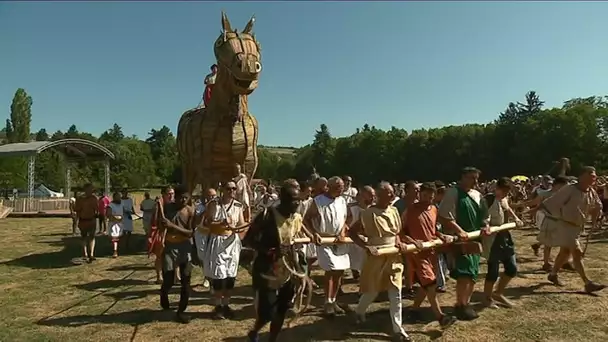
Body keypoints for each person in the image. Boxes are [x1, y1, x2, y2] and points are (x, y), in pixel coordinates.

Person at [244, 182, 307, 342]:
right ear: (283, 200)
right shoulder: (266, 216)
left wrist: (300, 271)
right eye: (294, 200)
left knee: (282, 309)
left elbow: (292, 245)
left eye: (299, 200)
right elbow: (248, 240)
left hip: (287, 270)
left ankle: (272, 339)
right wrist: (268, 251)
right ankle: (255, 331)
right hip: (267, 270)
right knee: (267, 313)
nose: (297, 204)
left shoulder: (297, 218)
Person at [349, 182, 411, 342]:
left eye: (392, 192)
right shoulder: (368, 213)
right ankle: (359, 311)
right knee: (372, 291)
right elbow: (352, 232)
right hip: (376, 256)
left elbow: (397, 233)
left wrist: (399, 242)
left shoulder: (394, 210)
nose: (392, 195)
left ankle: (398, 329)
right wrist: (366, 246)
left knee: (395, 292)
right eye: (388, 193)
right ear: (379, 195)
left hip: (394, 257)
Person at [400, 182, 457, 328]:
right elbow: (400, 232)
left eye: (431, 196)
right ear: (420, 194)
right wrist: (413, 241)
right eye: (425, 195)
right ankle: (441, 317)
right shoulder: (410, 210)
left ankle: (413, 310)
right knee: (431, 284)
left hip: (431, 251)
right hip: (417, 253)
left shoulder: (433, 209)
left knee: (427, 284)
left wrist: (441, 235)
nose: (428, 199)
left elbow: (433, 230)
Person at [542, 166, 606, 293]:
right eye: (591, 175)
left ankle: (553, 274)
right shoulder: (570, 189)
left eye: (595, 175)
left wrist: (594, 218)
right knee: (577, 252)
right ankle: (587, 283)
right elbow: (552, 202)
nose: (595, 178)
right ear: (582, 176)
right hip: (565, 225)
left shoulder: (590, 191)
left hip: (577, 227)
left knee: (565, 252)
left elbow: (597, 205)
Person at [438, 167, 487, 320]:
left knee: (473, 272)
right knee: (464, 273)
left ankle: (467, 303)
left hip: (475, 238)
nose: (475, 181)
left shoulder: (477, 195)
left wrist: (485, 225)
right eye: (472, 178)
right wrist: (459, 231)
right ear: (463, 177)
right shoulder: (453, 193)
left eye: (477, 178)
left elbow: (484, 214)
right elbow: (445, 215)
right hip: (461, 240)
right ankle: (460, 304)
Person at [303, 176, 350, 317]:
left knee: (340, 271)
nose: (341, 189)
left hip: (339, 241)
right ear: (329, 187)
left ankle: (334, 300)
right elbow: (306, 219)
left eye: (342, 187)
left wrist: (342, 232)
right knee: (330, 270)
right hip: (324, 240)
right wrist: (314, 234)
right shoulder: (317, 201)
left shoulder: (342, 201)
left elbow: (344, 218)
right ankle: (327, 302)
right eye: (338, 187)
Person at [203, 181, 250, 319]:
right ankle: (218, 306)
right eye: (229, 188)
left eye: (234, 189)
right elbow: (207, 223)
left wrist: (242, 231)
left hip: (232, 244)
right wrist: (221, 223)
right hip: (218, 242)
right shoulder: (214, 204)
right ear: (223, 189)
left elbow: (241, 224)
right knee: (219, 275)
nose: (232, 191)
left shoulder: (237, 206)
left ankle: (226, 304)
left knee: (230, 275)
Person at [481, 177, 524, 309]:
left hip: (505, 236)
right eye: (504, 190)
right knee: (493, 271)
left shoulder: (504, 199)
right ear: (497, 188)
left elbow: (508, 209)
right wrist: (486, 225)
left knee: (511, 268)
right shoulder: (489, 198)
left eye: (507, 191)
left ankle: (498, 293)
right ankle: (487, 298)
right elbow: (483, 215)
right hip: (492, 239)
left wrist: (516, 218)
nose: (506, 193)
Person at [160, 186, 195, 324]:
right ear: (176, 197)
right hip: (169, 247)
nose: (184, 200)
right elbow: (159, 224)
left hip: (185, 247)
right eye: (182, 197)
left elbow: (190, 232)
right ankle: (164, 293)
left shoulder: (190, 211)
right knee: (168, 278)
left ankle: (181, 311)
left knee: (186, 282)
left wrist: (172, 226)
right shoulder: (167, 208)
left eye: (187, 197)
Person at [347, 186, 375, 281]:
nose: (372, 198)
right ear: (362, 196)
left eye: (373, 196)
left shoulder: (374, 208)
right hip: (353, 240)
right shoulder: (351, 208)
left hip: (369, 241)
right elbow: (346, 224)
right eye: (370, 196)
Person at [74, 183, 98, 263]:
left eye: (91, 189)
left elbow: (96, 209)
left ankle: (91, 254)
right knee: (84, 237)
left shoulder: (94, 198)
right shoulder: (80, 199)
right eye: (89, 189)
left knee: (92, 237)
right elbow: (77, 210)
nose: (90, 191)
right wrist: (77, 221)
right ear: (85, 190)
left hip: (91, 220)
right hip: (83, 220)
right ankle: (85, 253)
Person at [107, 192, 125, 258]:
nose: (119, 198)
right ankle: (115, 251)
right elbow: (109, 215)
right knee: (115, 237)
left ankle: (116, 249)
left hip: (120, 223)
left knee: (118, 237)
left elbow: (123, 212)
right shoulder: (110, 205)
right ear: (114, 197)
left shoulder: (121, 204)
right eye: (117, 197)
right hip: (114, 224)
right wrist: (116, 218)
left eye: (119, 197)